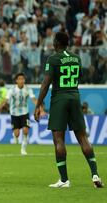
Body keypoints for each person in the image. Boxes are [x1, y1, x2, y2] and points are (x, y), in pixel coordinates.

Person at [34, 32, 103, 188]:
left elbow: (46, 83)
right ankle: (95, 175)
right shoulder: (76, 58)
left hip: (59, 99)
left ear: (56, 43)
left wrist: (38, 104)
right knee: (83, 138)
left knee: (58, 139)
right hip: (74, 97)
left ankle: (64, 180)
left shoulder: (53, 59)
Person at [0, 73, 44, 155]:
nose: (21, 80)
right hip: (14, 113)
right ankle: (15, 135)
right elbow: (5, 101)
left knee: (26, 130)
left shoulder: (28, 89)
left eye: (22, 79)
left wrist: (40, 108)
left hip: (24, 113)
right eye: (19, 79)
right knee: (17, 134)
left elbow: (34, 99)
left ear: (24, 80)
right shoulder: (12, 90)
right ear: (16, 80)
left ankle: (23, 149)